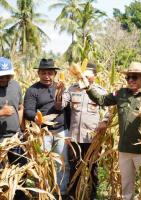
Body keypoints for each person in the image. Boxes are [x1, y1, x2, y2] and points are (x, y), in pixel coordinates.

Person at [84, 62, 141, 200]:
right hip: (124, 150)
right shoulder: (121, 93)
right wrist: (87, 86)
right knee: (127, 186)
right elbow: (102, 100)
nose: (131, 80)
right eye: (128, 78)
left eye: (134, 77)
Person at [55, 62, 110, 198]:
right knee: (74, 168)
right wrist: (59, 91)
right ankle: (73, 194)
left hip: (92, 138)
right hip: (74, 138)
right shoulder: (72, 89)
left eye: (87, 75)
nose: (84, 78)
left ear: (94, 76)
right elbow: (59, 106)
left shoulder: (100, 91)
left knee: (93, 168)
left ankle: (93, 194)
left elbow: (109, 110)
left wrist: (104, 121)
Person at [24, 58, 70, 197]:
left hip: (61, 132)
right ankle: (43, 192)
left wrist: (69, 132)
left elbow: (68, 110)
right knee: (42, 164)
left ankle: (61, 192)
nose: (47, 76)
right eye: (43, 73)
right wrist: (36, 118)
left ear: (55, 74)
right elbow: (28, 111)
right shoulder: (33, 90)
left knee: (63, 164)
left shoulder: (60, 88)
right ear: (38, 73)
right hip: (43, 133)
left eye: (50, 73)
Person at [0, 57, 26, 199]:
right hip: (0, 140)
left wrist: (21, 129)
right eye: (1, 76)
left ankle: (19, 196)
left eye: (7, 76)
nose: (4, 79)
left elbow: (20, 108)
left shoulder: (15, 85)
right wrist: (1, 113)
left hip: (15, 137)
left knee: (20, 170)